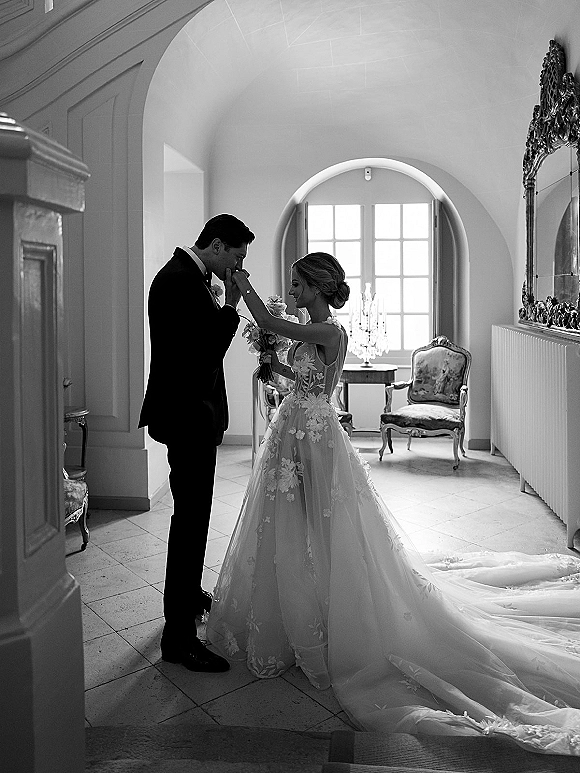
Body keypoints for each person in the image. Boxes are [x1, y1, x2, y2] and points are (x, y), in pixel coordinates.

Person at [207, 251, 580, 754]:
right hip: (292, 432)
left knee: (323, 525)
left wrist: (241, 283)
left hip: (314, 438)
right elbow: (303, 379)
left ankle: (333, 616)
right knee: (291, 527)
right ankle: (299, 613)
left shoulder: (329, 331)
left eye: (297, 283)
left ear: (316, 287)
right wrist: (275, 367)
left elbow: (273, 325)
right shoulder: (309, 330)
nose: (291, 291)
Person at [139, 213, 255, 672]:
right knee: (190, 522)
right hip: (187, 417)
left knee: (195, 516)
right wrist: (230, 307)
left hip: (191, 415)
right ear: (218, 245)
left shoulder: (189, 276)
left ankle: (188, 596)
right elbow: (203, 354)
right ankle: (178, 639)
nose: (238, 266)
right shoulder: (178, 281)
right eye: (237, 257)